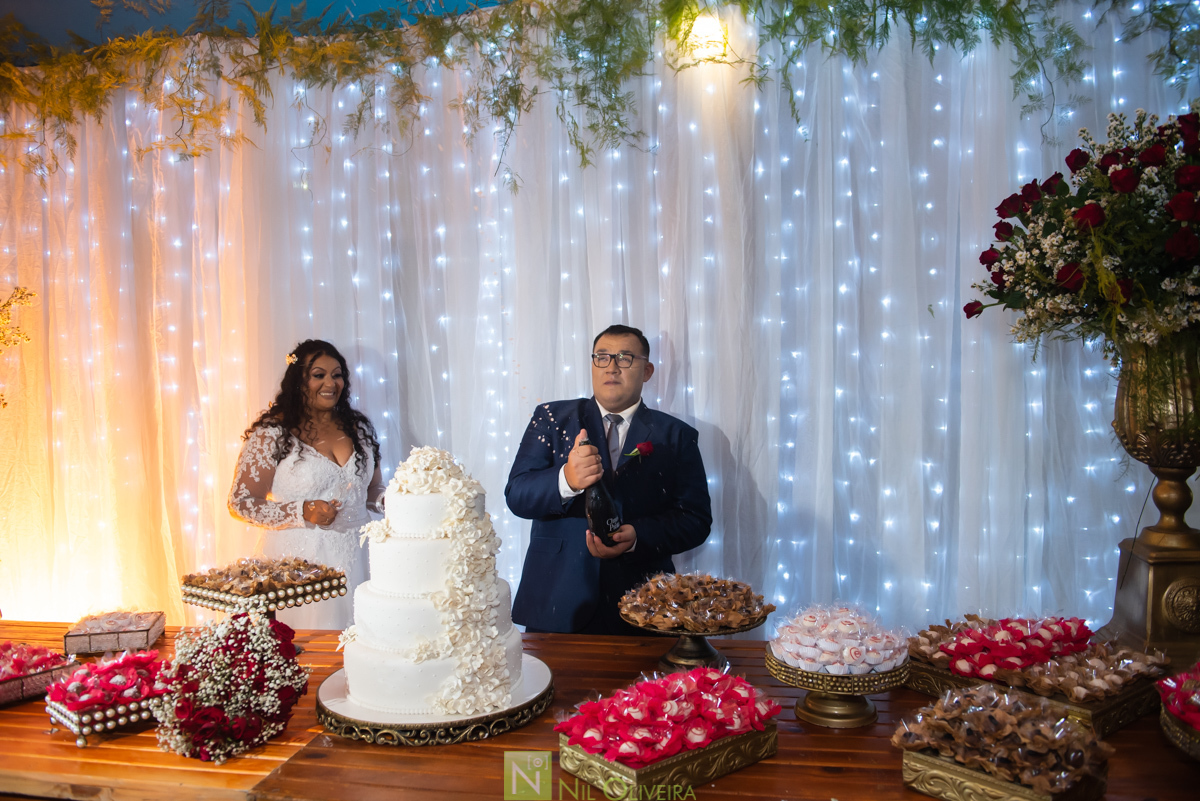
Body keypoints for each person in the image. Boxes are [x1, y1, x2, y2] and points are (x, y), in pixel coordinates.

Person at [506, 324, 712, 634]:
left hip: (643, 607)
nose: (612, 367)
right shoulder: (551, 417)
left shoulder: (677, 435)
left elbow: (695, 520)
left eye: (625, 357)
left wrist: (638, 537)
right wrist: (567, 480)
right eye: (602, 357)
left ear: (647, 370)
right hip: (556, 601)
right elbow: (517, 494)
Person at [228, 339, 384, 629]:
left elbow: (371, 491)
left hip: (361, 559)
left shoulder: (359, 428)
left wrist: (392, 501)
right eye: (318, 375)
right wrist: (303, 510)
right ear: (299, 380)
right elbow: (241, 503)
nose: (330, 382)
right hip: (300, 569)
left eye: (337, 375)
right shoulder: (272, 433)